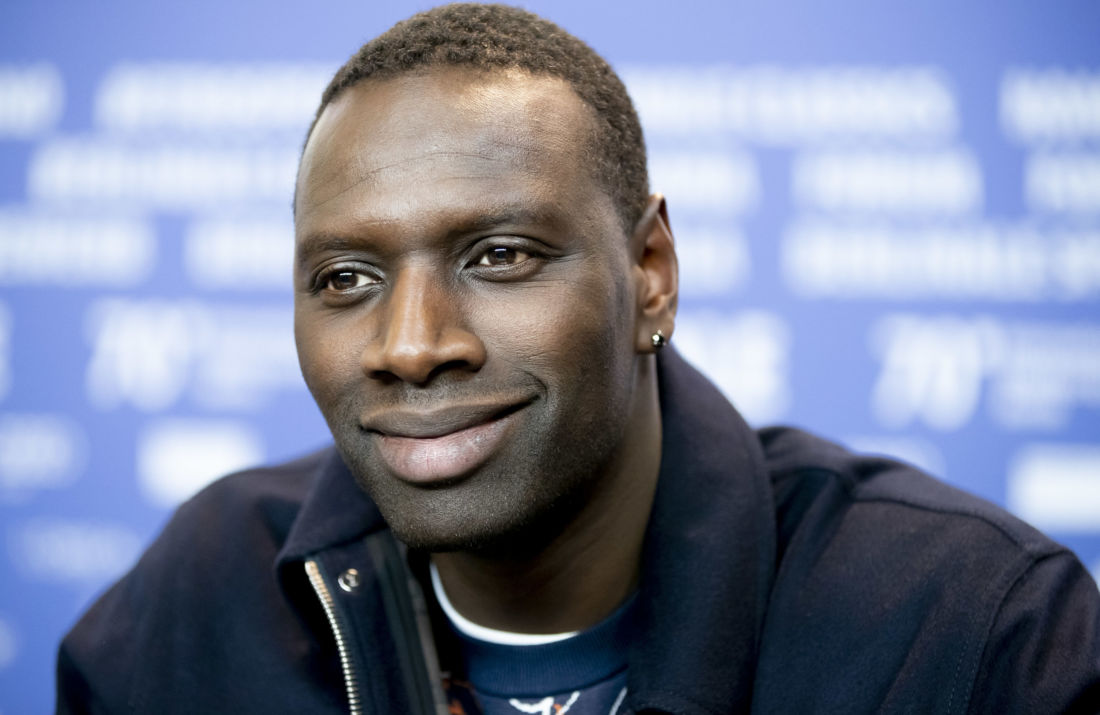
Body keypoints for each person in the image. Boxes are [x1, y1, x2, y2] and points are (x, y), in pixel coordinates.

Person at [57, 4, 1100, 713]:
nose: (411, 346)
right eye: (345, 280)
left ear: (649, 272)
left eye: (499, 255)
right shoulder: (198, 609)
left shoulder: (967, 631)